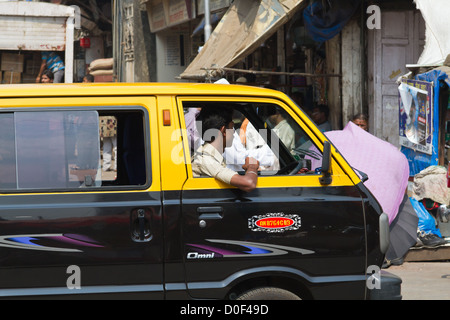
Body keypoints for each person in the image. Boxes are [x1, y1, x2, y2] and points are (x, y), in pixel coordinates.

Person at [191, 107, 259, 192]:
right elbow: (249, 183)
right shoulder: (206, 160)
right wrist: (252, 167)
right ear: (223, 131)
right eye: (232, 127)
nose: (234, 132)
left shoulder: (206, 154)